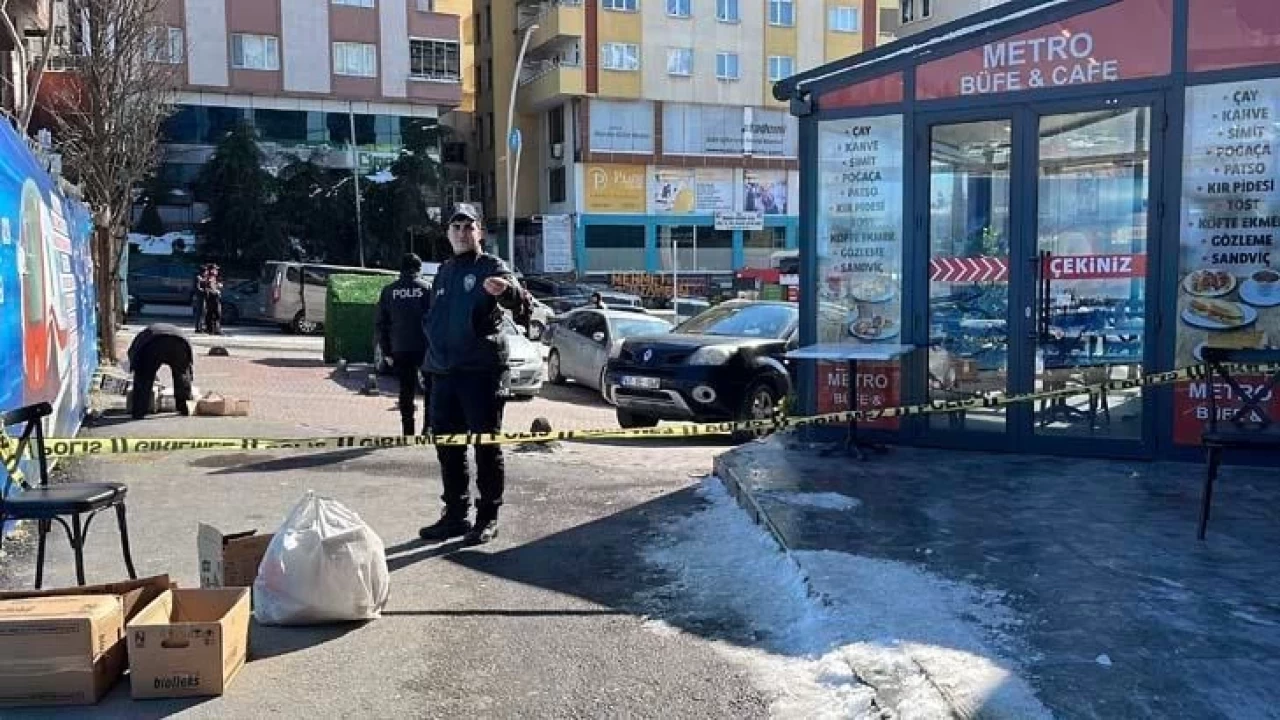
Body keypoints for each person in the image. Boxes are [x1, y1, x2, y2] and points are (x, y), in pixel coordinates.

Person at [418, 203, 524, 546]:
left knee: (485, 447)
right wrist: (429, 367)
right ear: (448, 234)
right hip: (443, 373)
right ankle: (455, 515)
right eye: (456, 227)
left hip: (480, 373)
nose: (463, 233)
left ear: (480, 231)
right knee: (448, 448)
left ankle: (488, 517)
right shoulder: (445, 271)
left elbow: (522, 302)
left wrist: (506, 292)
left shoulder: (491, 267)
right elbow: (435, 321)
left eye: (469, 226)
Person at [377, 252, 434, 436]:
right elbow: (437, 320)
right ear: (419, 269)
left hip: (400, 347)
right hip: (425, 347)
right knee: (430, 390)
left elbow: (381, 323)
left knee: (406, 390)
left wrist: (386, 351)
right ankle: (428, 428)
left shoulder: (389, 291)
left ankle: (407, 431)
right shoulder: (427, 289)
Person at [126, 323, 194, 419]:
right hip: (180, 342)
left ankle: (139, 411)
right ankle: (184, 407)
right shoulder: (141, 338)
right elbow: (188, 365)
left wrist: (140, 371)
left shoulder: (137, 346)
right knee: (182, 375)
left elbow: (139, 368)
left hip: (154, 343)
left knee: (144, 377)